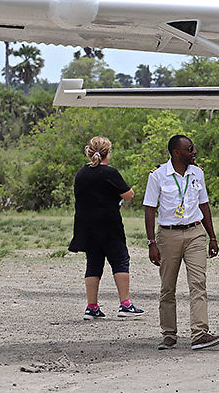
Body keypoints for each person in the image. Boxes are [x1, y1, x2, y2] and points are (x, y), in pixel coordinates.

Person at [143, 135, 219, 351]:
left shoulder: (197, 173)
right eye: (190, 149)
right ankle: (169, 334)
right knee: (167, 286)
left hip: (195, 233)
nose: (194, 152)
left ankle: (199, 334)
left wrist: (212, 237)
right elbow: (149, 209)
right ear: (176, 153)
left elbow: (204, 205)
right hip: (168, 236)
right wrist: (152, 242)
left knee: (198, 283)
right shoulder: (158, 175)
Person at [69, 136, 144, 320]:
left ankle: (92, 307)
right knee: (120, 260)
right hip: (109, 226)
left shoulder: (81, 173)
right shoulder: (109, 172)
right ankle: (125, 304)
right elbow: (128, 195)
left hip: (87, 226)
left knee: (93, 264)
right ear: (107, 153)